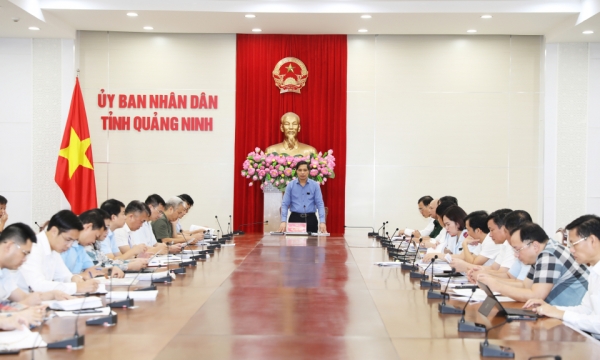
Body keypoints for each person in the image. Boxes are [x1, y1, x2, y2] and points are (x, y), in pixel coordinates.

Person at [523, 215, 600, 339]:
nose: (571, 250)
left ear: (592, 240)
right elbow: (586, 309)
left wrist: (560, 314)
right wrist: (549, 308)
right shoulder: (594, 271)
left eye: (574, 244)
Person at [478, 222, 589, 306]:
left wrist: (497, 287)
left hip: (577, 321)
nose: (516, 255)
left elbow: (536, 296)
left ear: (534, 246)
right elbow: (525, 285)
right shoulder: (542, 252)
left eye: (517, 250)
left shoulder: (549, 255)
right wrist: (491, 281)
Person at [0, 223, 69, 327]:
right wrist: (15, 315)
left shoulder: (4, 270)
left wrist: (52, 295)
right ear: (9, 246)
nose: (25, 260)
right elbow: (24, 302)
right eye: (24, 253)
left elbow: (23, 297)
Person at [18, 210, 98, 295]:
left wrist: (75, 278)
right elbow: (36, 285)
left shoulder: (53, 248)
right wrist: (77, 287)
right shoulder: (33, 247)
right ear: (54, 231)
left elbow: (63, 275)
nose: (69, 245)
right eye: (68, 240)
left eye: (73, 241)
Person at [61, 209, 124, 278]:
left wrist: (109, 270)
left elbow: (93, 269)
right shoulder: (63, 245)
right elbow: (59, 278)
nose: (94, 241)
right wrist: (81, 276)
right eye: (95, 236)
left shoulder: (79, 247)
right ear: (88, 227)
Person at [97, 199, 148, 270]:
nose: (125, 217)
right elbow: (111, 261)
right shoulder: (103, 235)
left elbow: (119, 258)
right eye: (123, 214)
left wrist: (136, 261)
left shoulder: (111, 233)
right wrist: (133, 251)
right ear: (113, 217)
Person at [278, 161, 327, 234]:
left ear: (308, 171)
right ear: (296, 171)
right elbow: (285, 204)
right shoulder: (290, 185)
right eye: (300, 170)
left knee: (312, 244)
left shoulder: (315, 185)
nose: (302, 172)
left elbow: (320, 204)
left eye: (305, 170)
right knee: (295, 244)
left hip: (311, 219)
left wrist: (322, 222)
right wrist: (283, 221)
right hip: (295, 219)